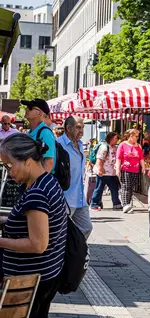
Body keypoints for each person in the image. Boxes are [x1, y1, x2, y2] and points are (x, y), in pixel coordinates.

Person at [0, 133, 67, 317]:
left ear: (27, 160)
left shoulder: (37, 193)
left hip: (28, 282)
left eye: (10, 165)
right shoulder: (47, 181)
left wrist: (1, 241)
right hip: (44, 274)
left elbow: (38, 244)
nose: (9, 172)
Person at [57, 116, 93, 239]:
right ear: (68, 128)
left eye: (83, 127)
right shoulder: (59, 144)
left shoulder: (80, 144)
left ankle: (74, 252)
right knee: (60, 232)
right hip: (65, 197)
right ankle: (65, 254)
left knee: (86, 227)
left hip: (79, 197)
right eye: (78, 127)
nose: (81, 130)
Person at [90, 132, 122, 211]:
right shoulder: (104, 147)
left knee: (114, 188)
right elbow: (99, 159)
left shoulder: (115, 147)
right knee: (99, 188)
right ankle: (94, 204)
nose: (117, 140)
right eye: (115, 138)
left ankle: (116, 203)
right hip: (103, 172)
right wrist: (100, 169)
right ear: (110, 138)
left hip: (112, 172)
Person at [23, 99, 56, 173]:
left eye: (30, 107)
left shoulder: (45, 133)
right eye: (27, 107)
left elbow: (49, 162)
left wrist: (39, 182)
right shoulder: (31, 132)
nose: (27, 109)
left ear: (39, 113)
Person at [116, 129, 145, 214]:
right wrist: (118, 169)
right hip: (126, 169)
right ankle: (125, 205)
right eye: (136, 136)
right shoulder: (122, 145)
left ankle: (128, 204)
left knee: (132, 188)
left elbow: (141, 158)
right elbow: (119, 158)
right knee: (126, 186)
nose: (137, 138)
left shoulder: (138, 146)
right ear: (131, 136)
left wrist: (143, 167)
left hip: (135, 169)